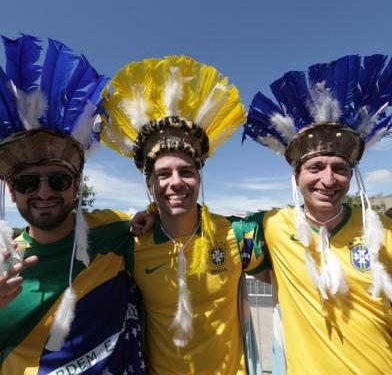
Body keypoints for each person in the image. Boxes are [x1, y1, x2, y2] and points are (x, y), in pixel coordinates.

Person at [101, 55, 269, 374]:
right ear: (150, 184)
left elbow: (286, 273)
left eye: (186, 171)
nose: (175, 182)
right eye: (163, 175)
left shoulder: (239, 234)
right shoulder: (132, 245)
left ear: (199, 177)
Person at [0, 34, 145, 374]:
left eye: (59, 179)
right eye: (28, 182)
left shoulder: (117, 230)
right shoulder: (5, 262)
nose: (45, 191)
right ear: (11, 191)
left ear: (77, 187)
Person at [243, 54, 392, 374]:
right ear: (296, 176)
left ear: (351, 175)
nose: (328, 180)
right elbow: (201, 229)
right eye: (315, 168)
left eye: (340, 168)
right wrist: (149, 215)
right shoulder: (271, 227)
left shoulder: (384, 231)